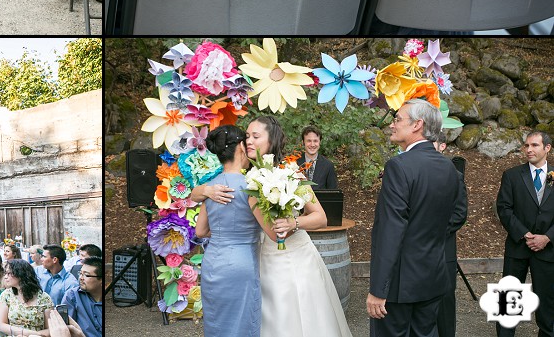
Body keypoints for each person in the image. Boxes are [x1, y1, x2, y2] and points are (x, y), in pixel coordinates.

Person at [193, 116, 350, 336]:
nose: (248, 141)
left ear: (271, 140)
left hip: (294, 259)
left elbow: (320, 217)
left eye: (255, 136)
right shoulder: (247, 178)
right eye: (246, 136)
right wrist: (203, 191)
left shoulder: (291, 172)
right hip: (259, 259)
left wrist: (293, 222)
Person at [368, 98, 460, 337]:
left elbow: (391, 230)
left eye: (398, 119)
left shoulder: (399, 166)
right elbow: (448, 220)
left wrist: (378, 289)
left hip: (399, 285)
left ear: (417, 125)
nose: (392, 125)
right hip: (433, 278)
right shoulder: (449, 168)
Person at [192, 125, 262, 337]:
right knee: (242, 325)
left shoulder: (211, 188)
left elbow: (201, 231)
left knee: (217, 326)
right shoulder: (251, 186)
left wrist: (224, 234)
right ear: (241, 146)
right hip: (241, 264)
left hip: (213, 263)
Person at [495, 130, 554, 337]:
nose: (529, 149)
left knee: (547, 301)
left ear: (547, 148)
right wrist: (524, 234)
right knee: (509, 300)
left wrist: (548, 237)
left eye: (534, 145)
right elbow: (503, 208)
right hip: (517, 246)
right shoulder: (512, 175)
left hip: (548, 250)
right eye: (526, 145)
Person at [432, 138, 467, 337]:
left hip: (444, 249)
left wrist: (434, 230)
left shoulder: (455, 176)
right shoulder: (412, 172)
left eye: (434, 142)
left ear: (443, 146)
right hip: (416, 252)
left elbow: (460, 213)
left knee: (445, 305)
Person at [0, 258, 54, 337]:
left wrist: (34, 335)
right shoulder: (6, 295)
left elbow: (51, 328)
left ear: (21, 274)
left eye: (9, 273)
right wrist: (24, 333)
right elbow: (1, 325)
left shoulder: (44, 298)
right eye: (5, 273)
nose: (5, 277)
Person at [61, 256, 101, 337]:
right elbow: (67, 327)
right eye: (80, 273)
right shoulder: (73, 295)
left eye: (86, 275)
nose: (81, 278)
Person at [301, 126, 338, 190]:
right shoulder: (294, 163)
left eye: (315, 141)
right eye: (309, 141)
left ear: (320, 142)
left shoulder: (328, 166)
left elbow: (333, 194)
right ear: (303, 142)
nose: (312, 145)